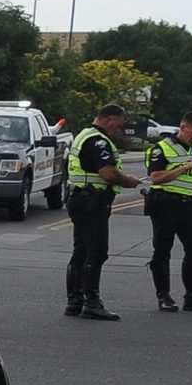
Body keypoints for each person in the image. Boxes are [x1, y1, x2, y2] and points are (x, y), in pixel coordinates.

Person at [63, 103, 145, 320]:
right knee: (96, 252)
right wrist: (127, 180)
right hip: (92, 202)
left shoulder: (84, 135)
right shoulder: (98, 141)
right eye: (118, 125)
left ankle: (75, 301)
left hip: (80, 198)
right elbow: (108, 173)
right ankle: (91, 302)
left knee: (81, 251)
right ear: (108, 119)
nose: (119, 129)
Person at [144, 110, 192, 312]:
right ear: (182, 128)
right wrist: (185, 166)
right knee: (162, 250)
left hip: (188, 205)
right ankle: (164, 296)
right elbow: (156, 177)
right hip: (165, 203)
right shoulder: (162, 148)